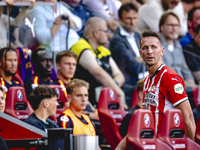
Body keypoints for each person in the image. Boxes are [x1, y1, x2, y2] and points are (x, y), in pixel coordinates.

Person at [115, 30, 196, 150]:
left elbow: (188, 115)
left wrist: (191, 146)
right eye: (145, 48)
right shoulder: (147, 80)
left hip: (168, 145)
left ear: (162, 51)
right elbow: (141, 121)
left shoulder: (169, 77)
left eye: (154, 47)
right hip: (150, 145)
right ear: (140, 53)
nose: (149, 52)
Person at [71, 17, 127, 109]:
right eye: (105, 31)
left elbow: (119, 75)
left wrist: (110, 87)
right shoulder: (80, 46)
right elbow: (97, 72)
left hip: (104, 100)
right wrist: (119, 93)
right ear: (96, 33)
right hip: (86, 102)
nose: (108, 35)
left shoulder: (103, 50)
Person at [109, 2, 146, 107]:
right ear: (120, 19)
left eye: (135, 18)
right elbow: (134, 66)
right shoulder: (117, 40)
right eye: (128, 18)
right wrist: (144, 60)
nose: (132, 22)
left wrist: (142, 59)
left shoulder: (137, 35)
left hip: (142, 81)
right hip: (129, 86)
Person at [159, 12, 197, 88]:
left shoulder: (177, 44)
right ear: (161, 27)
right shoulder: (156, 44)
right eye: (171, 25)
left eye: (177, 25)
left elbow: (186, 70)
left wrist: (192, 84)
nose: (174, 28)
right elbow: (162, 73)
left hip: (183, 88)